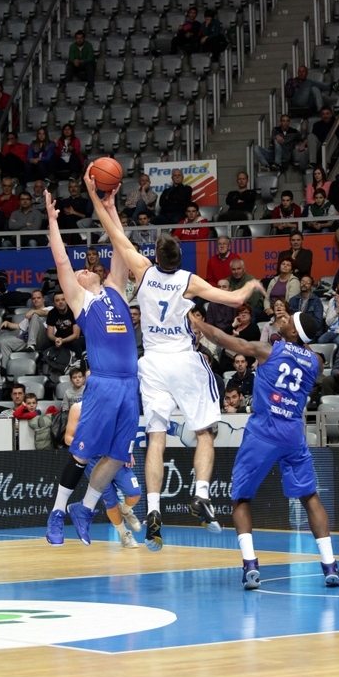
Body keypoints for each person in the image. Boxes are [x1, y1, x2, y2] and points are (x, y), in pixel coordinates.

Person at [87, 178, 265, 552]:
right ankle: (200, 494)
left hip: (151, 363)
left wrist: (100, 197)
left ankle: (153, 510)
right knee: (205, 432)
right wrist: (251, 286)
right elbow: (234, 299)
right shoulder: (189, 281)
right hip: (183, 360)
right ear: (179, 258)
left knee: (156, 438)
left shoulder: (142, 270)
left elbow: (115, 235)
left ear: (156, 255)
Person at [192, 310, 339, 589]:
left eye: (288, 321)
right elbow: (309, 357)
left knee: (241, 499)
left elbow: (221, 339)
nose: (282, 320)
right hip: (293, 434)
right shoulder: (316, 362)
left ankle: (250, 565)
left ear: (294, 332)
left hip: (263, 431)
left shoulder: (267, 350)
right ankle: (330, 566)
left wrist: (196, 321)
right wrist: (300, 343)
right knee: (310, 498)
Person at [44, 179, 140, 548]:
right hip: (103, 382)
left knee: (116, 456)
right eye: (80, 271)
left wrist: (111, 207)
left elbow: (120, 245)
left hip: (130, 385)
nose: (85, 269)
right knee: (82, 454)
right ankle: (57, 512)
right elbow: (60, 260)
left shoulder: (115, 288)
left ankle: (84, 509)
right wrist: (53, 221)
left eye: (86, 268)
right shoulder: (81, 301)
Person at [62, 400, 142, 549]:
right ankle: (124, 534)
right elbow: (68, 438)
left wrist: (128, 451)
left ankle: (126, 511)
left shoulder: (112, 403)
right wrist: (86, 447)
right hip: (93, 461)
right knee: (110, 502)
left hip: (114, 456)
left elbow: (124, 431)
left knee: (135, 493)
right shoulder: (78, 408)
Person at [0, 289, 52, 367]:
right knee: (4, 342)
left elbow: (46, 313)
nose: (36, 300)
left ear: (43, 299)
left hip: (44, 339)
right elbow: (19, 326)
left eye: (38, 298)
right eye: (33, 298)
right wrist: (8, 323)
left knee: (35, 315)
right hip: (28, 339)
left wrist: (34, 312)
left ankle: (31, 344)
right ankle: (4, 369)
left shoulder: (50, 308)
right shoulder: (31, 313)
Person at [221, 303, 261, 372]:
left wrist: (238, 334)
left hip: (246, 355)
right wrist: (233, 325)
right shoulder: (235, 327)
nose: (243, 314)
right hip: (230, 355)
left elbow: (252, 336)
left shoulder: (254, 327)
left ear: (250, 315)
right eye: (240, 313)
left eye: (246, 312)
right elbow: (222, 335)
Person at [288, 275, 324, 339]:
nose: (304, 284)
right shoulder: (293, 300)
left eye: (307, 282)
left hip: (311, 333)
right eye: (302, 282)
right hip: (295, 332)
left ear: (311, 286)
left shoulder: (316, 301)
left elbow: (317, 322)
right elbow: (289, 317)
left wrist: (303, 329)